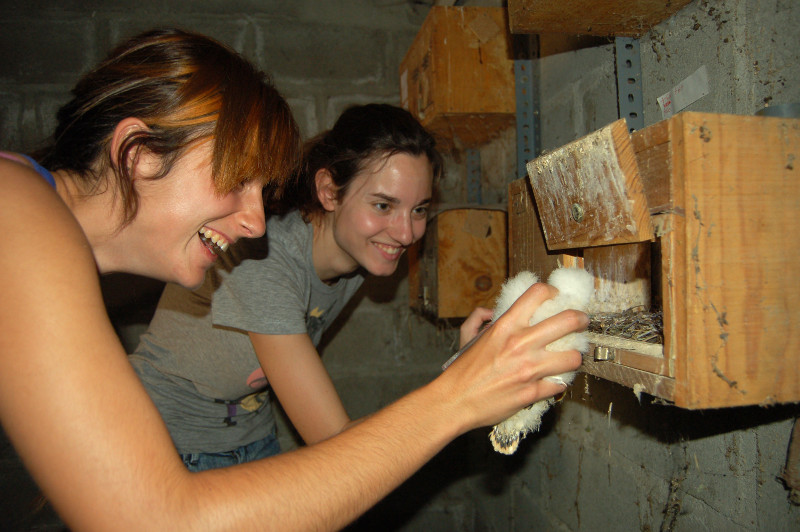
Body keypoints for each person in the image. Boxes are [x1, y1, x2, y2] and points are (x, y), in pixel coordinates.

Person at [0, 26, 587, 531]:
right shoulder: (18, 210)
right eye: (235, 180)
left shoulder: (37, 221)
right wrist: (456, 398)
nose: (255, 221)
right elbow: (156, 521)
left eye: (262, 191)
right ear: (139, 155)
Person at [130, 103, 446, 471]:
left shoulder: (361, 250)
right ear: (329, 192)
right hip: (168, 442)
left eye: (419, 210)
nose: (406, 233)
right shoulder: (265, 262)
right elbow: (338, 444)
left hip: (252, 436)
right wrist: (461, 386)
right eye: (383, 205)